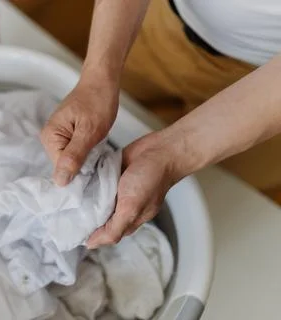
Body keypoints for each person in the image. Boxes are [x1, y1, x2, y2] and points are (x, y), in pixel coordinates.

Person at [39, 0, 281, 248]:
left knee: (221, 186)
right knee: (132, 113)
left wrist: (175, 154)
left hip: (263, 94)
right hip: (164, 27)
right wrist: (98, 77)